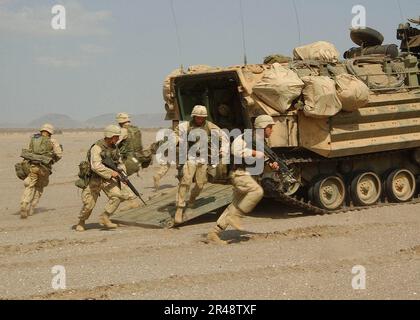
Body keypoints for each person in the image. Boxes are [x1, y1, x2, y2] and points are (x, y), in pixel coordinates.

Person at [207, 115, 280, 245]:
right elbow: (235, 150)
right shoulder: (246, 138)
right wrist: (255, 153)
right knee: (257, 192)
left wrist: (271, 166)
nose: (272, 130)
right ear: (263, 127)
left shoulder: (262, 143)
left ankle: (214, 233)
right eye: (270, 127)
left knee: (234, 205)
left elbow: (260, 162)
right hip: (239, 174)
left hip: (248, 175)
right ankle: (235, 217)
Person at [173, 105, 229, 225]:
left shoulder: (209, 126)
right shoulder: (186, 126)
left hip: (203, 159)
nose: (200, 120)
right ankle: (180, 207)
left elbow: (223, 136)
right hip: (191, 157)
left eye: (202, 117)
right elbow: (175, 134)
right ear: (194, 116)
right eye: (198, 117)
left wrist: (223, 149)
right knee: (185, 181)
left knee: (200, 184)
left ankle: (192, 199)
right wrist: (177, 140)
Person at [75, 125, 127, 232]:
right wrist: (111, 173)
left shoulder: (114, 148)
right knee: (88, 205)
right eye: (116, 137)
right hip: (94, 179)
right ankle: (81, 221)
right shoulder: (97, 148)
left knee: (117, 196)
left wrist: (123, 174)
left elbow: (119, 162)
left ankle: (105, 217)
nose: (117, 139)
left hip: (107, 179)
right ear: (110, 136)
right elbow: (96, 166)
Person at [20, 124, 63, 219]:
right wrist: (52, 160)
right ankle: (32, 208)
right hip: (44, 168)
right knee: (39, 188)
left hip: (33, 166)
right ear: (50, 132)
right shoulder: (52, 141)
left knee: (30, 185)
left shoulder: (34, 139)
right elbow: (59, 154)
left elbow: (29, 152)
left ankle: (24, 203)